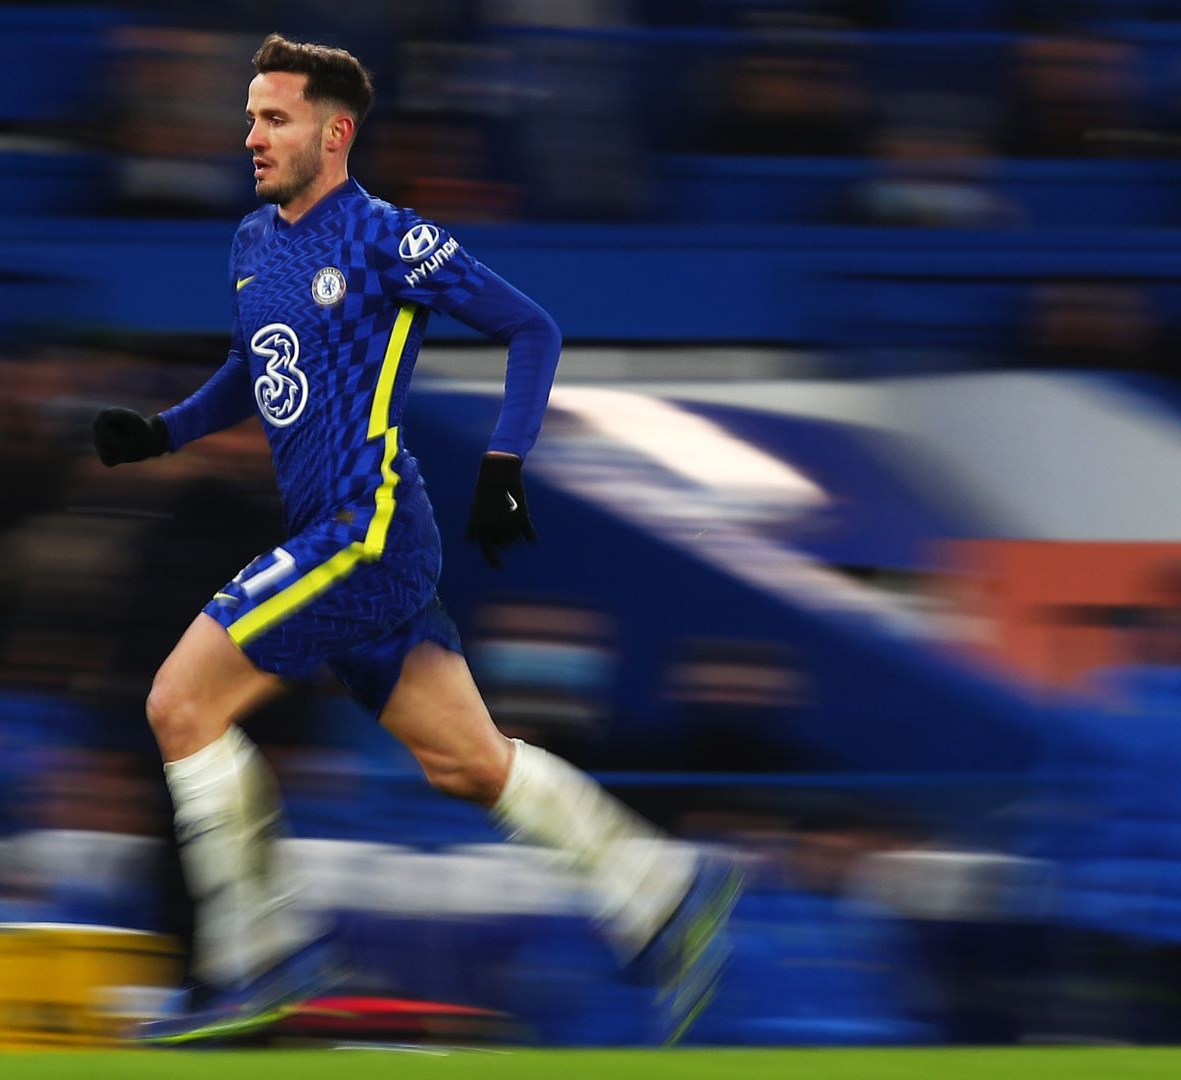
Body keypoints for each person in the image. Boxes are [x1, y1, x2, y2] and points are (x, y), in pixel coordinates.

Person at [90, 34, 739, 1047]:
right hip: (332, 536)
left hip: (369, 527)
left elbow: (532, 329)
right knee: (471, 766)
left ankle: (256, 955)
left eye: (275, 117)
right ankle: (664, 888)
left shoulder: (390, 239)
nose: (250, 134)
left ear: (335, 133)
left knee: (180, 704)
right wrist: (166, 430)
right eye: (251, 115)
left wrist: (505, 467)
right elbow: (255, 371)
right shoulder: (254, 243)